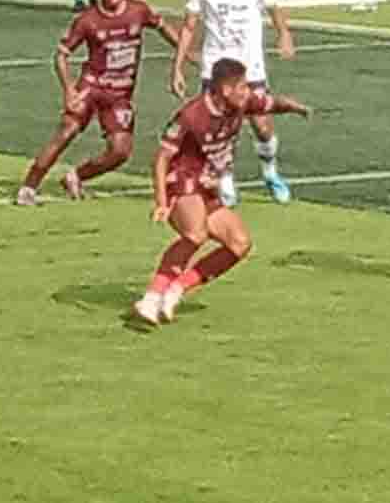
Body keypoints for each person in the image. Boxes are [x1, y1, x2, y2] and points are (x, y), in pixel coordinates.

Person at [133, 58, 311, 325]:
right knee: (195, 234)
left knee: (239, 243)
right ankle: (151, 297)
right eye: (242, 86)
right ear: (226, 90)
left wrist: (296, 107)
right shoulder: (192, 115)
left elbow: (273, 104)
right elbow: (161, 157)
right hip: (181, 181)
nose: (248, 92)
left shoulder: (242, 104)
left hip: (207, 186)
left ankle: (176, 289)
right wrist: (161, 201)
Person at [15, 0, 179, 206]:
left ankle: (76, 176)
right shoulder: (87, 21)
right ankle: (28, 188)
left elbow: (162, 27)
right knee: (66, 132)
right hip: (91, 88)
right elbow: (61, 55)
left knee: (120, 151)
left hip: (120, 95)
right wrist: (69, 90)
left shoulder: (138, 10)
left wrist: (183, 52)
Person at [171, 0, 296, 206]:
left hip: (251, 67)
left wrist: (284, 34)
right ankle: (225, 182)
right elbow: (189, 26)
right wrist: (177, 66)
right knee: (219, 129)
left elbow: (274, 9)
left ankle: (271, 172)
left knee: (262, 126)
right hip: (215, 69)